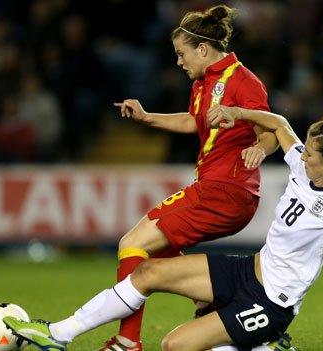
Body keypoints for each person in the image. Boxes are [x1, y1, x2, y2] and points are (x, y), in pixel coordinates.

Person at [4, 106, 323, 351]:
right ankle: (58, 334)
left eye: (309, 152)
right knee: (146, 272)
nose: (300, 153)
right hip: (247, 271)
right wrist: (239, 113)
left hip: (271, 304)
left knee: (173, 345)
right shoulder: (300, 163)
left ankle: (263, 344)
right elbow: (278, 123)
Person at [97, 5, 278, 350]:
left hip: (226, 190)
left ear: (203, 49)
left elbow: (269, 128)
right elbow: (192, 122)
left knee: (131, 244)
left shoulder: (244, 81)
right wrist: (148, 118)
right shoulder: (202, 83)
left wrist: (262, 149)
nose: (179, 62)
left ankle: (127, 341)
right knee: (153, 249)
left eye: (182, 54)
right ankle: (215, 302)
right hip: (216, 188)